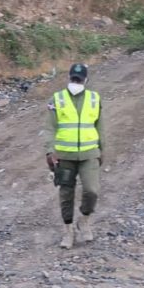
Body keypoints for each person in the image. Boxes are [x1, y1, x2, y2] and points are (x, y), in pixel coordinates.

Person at [46, 62, 104, 249]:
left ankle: (84, 219)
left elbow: (100, 127)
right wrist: (49, 151)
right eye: (74, 77)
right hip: (64, 156)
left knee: (92, 191)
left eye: (80, 77)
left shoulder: (95, 99)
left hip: (89, 154)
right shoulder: (57, 99)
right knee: (66, 194)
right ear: (69, 77)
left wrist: (102, 151)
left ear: (86, 79)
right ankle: (68, 230)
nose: (77, 80)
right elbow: (49, 128)